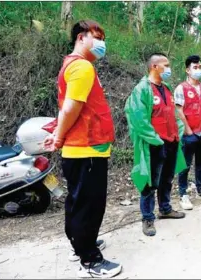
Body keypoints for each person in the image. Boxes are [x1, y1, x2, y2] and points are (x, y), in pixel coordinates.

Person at [43, 20, 122, 278]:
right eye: (96, 37)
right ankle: (89, 260)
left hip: (86, 147)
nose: (101, 43)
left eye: (102, 38)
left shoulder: (74, 65)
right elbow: (70, 109)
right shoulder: (82, 67)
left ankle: (80, 244)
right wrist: (58, 137)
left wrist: (58, 132)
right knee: (90, 204)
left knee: (79, 201)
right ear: (81, 37)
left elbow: (68, 106)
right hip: (86, 149)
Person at [124, 53, 187, 237]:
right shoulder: (142, 89)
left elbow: (173, 113)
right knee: (150, 182)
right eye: (165, 65)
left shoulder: (166, 87)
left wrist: (178, 132)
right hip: (155, 144)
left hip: (172, 141)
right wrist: (156, 139)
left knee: (167, 178)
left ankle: (165, 208)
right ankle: (147, 217)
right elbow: (138, 119)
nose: (169, 69)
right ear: (154, 67)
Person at [174, 55, 201, 210]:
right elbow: (178, 110)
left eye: (200, 67)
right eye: (195, 67)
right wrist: (187, 130)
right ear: (188, 70)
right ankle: (183, 194)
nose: (198, 70)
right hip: (190, 134)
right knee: (185, 165)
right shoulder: (181, 88)